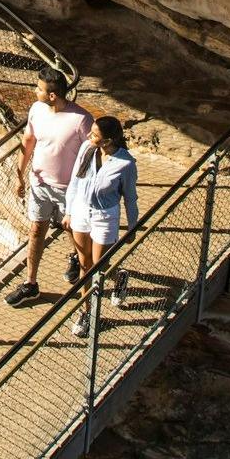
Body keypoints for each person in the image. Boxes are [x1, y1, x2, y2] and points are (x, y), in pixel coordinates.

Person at [6, 68, 94, 306]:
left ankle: (77, 257)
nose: (35, 91)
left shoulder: (81, 120)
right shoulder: (37, 110)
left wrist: (85, 188)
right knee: (36, 230)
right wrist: (20, 176)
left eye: (39, 88)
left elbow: (93, 155)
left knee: (71, 229)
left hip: (69, 189)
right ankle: (30, 283)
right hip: (40, 184)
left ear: (53, 95)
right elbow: (28, 140)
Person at [66, 116, 140, 337]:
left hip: (105, 216)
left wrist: (132, 226)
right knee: (85, 265)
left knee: (100, 265)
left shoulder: (125, 163)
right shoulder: (86, 149)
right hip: (81, 210)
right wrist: (69, 211)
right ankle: (87, 312)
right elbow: (74, 181)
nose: (89, 137)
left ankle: (118, 277)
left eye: (95, 135)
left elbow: (130, 198)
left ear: (107, 140)